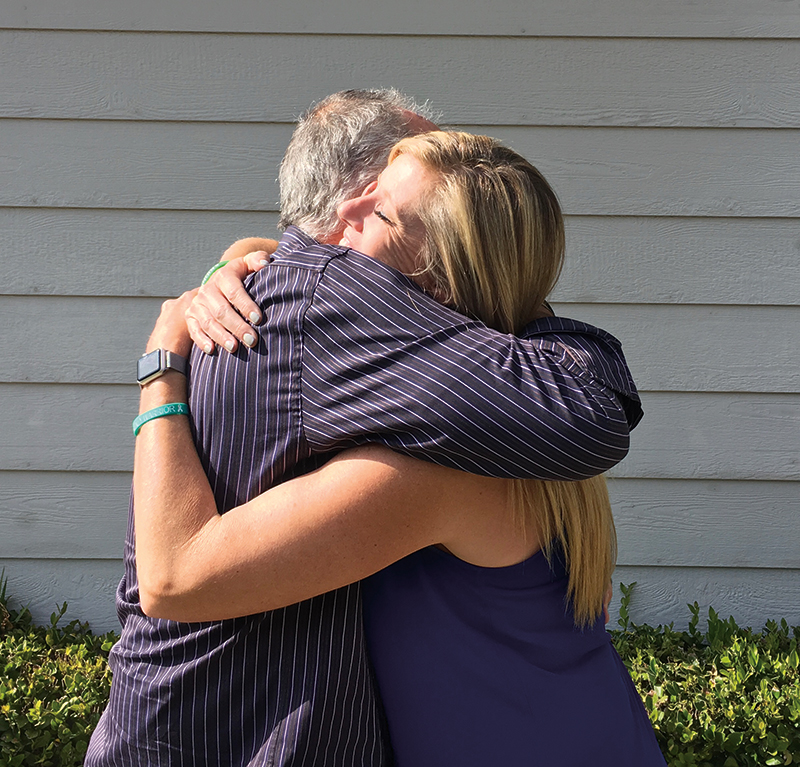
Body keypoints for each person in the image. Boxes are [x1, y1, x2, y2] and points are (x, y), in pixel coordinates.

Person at [87, 92, 643, 766]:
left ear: (442, 279)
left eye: (382, 209)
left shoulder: (433, 459)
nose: (347, 216)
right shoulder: (483, 390)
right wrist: (243, 258)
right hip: (581, 721)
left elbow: (175, 577)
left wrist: (160, 371)